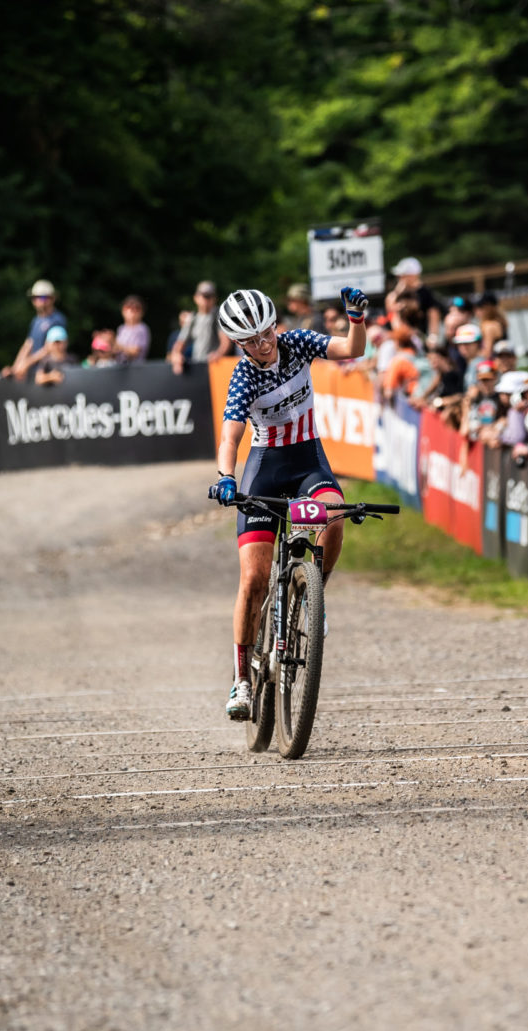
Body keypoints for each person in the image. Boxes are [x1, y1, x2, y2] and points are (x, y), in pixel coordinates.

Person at [207, 286, 369, 721]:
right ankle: (242, 679)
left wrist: (356, 320)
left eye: (266, 333)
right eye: (251, 340)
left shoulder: (296, 342)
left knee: (335, 516)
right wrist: (226, 477)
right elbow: (230, 437)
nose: (263, 344)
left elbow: (352, 349)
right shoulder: (244, 376)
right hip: (266, 469)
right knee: (254, 578)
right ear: (238, 344)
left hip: (308, 460)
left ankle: (314, 598)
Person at [7, 279, 67, 377]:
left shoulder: (57, 320)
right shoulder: (36, 321)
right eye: (35, 297)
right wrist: (16, 367)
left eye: (43, 297)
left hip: (48, 372)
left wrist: (27, 363)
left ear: (52, 298)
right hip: (34, 373)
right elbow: (28, 344)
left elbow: (52, 347)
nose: (38, 301)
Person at [169, 281, 231, 374]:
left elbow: (225, 342)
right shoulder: (193, 318)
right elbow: (180, 342)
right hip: (197, 366)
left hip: (216, 367)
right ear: (196, 297)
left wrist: (218, 354)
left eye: (210, 296)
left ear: (215, 298)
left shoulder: (219, 316)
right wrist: (177, 355)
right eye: (204, 296)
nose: (206, 299)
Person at [385, 256, 444, 338]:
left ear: (413, 275)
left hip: (420, 335)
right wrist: (398, 291)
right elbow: (391, 309)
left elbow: (433, 313)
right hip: (400, 335)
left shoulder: (425, 292)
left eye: (403, 275)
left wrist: (433, 335)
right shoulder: (396, 294)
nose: (400, 278)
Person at [112, 295, 150, 363]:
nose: (132, 311)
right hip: (121, 366)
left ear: (142, 312)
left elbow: (135, 352)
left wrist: (117, 345)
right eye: (128, 307)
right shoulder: (121, 328)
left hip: (136, 367)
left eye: (137, 308)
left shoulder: (142, 329)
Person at [474, 292, 509, 361]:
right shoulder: (500, 323)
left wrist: (472, 354)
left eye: (480, 307)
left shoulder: (489, 326)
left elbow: (487, 354)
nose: (476, 311)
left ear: (489, 308)